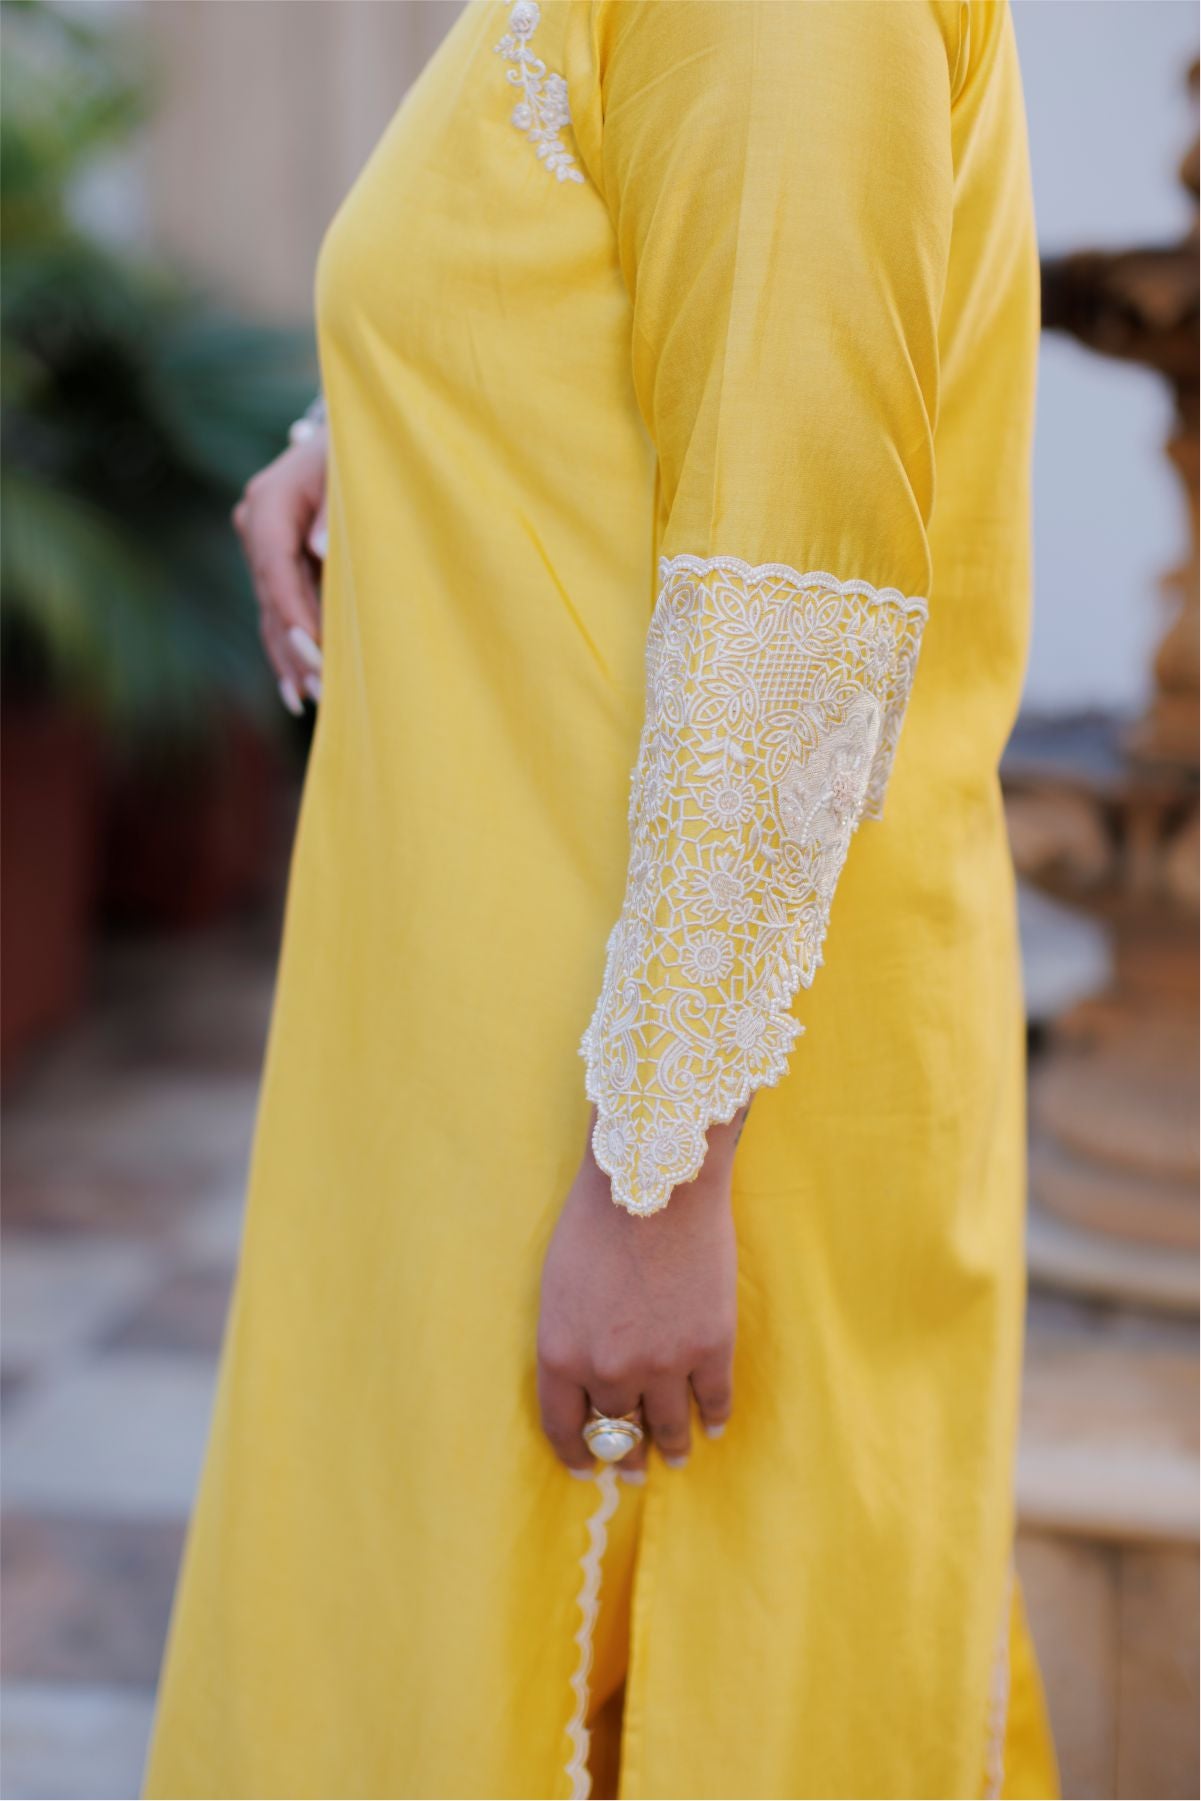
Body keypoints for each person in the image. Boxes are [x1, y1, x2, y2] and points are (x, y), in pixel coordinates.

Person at [146, 3, 1061, 1796]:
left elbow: (789, 590)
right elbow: (619, 287)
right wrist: (382, 428)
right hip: (502, 1056)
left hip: (647, 1102)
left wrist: (654, 1181)